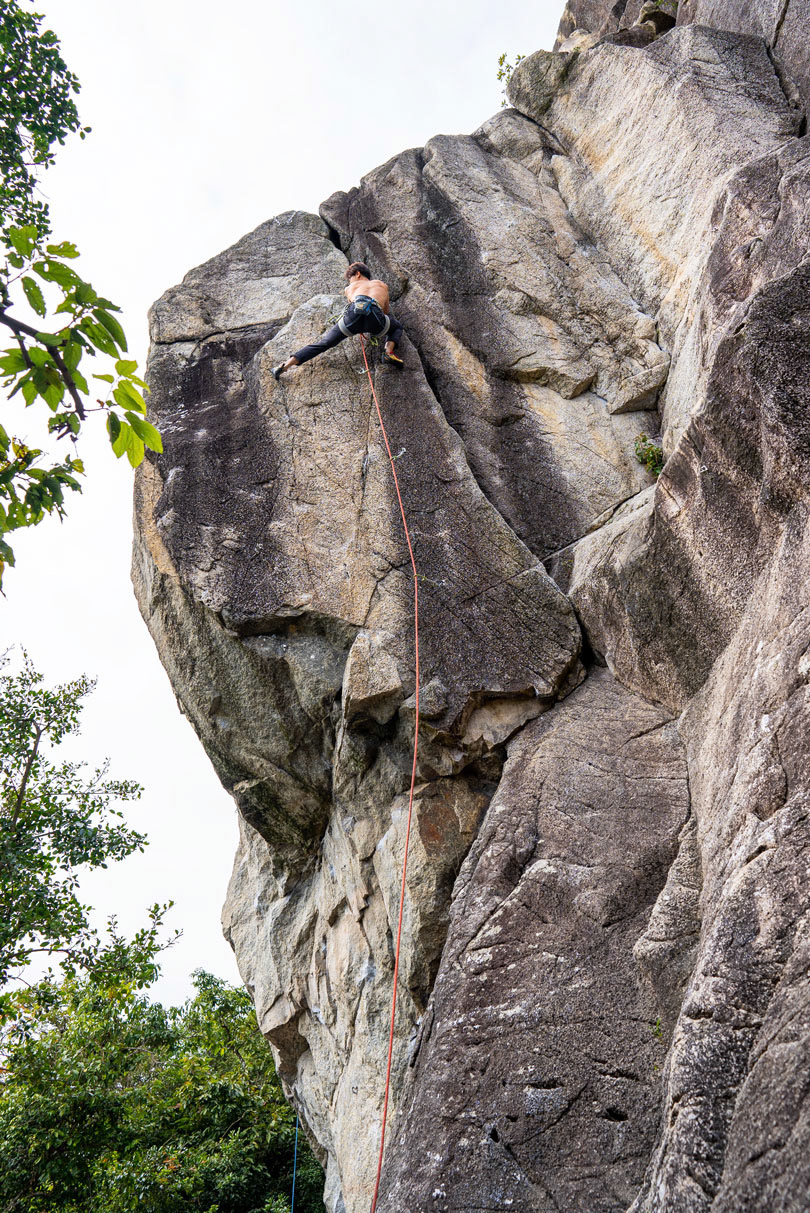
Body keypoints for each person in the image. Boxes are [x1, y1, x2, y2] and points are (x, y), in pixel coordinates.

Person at [271, 262, 405, 379]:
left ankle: (284, 365)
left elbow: (353, 304)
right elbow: (385, 311)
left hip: (353, 316)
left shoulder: (349, 288)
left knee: (324, 343)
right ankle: (388, 352)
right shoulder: (381, 285)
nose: (350, 282)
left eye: (350, 279)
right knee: (397, 327)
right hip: (375, 316)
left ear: (358, 274)